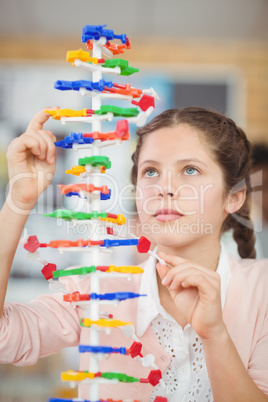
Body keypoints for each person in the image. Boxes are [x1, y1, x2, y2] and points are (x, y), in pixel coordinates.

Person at [0, 107, 267, 401]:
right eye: (151, 171)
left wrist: (215, 334)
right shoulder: (97, 291)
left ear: (234, 196)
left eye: (190, 170)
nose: (165, 188)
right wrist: (19, 198)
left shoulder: (262, 290)